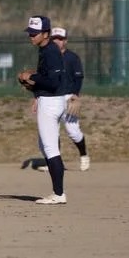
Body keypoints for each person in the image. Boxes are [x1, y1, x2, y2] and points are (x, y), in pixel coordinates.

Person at [16, 16, 69, 205]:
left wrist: (32, 77)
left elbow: (53, 82)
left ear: (46, 34)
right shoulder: (45, 49)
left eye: (34, 33)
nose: (31, 35)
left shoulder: (50, 52)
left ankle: (58, 193)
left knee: (50, 148)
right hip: (50, 100)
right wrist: (35, 90)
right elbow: (47, 81)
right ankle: (58, 191)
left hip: (52, 103)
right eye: (30, 32)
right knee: (45, 146)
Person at [51, 26, 91, 171]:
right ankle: (54, 163)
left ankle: (84, 155)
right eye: (54, 38)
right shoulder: (47, 57)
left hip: (68, 97)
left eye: (60, 39)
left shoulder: (72, 57)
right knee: (51, 132)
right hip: (52, 97)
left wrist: (75, 95)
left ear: (65, 41)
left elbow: (78, 78)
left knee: (73, 131)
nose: (57, 41)